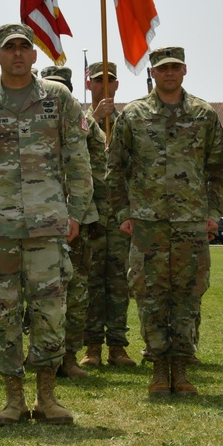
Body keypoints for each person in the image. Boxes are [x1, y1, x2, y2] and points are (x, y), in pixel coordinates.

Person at [0, 23, 92, 426]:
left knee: (50, 312)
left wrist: (75, 212)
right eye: (10, 49)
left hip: (47, 226)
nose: (18, 54)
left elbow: (79, 159)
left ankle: (47, 397)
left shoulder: (58, 99)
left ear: (35, 55)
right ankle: (12, 399)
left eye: (25, 47)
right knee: (1, 312)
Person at [107, 46, 223, 398]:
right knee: (150, 296)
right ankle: (159, 369)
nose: (169, 73)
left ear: (185, 70)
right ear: (153, 73)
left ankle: (181, 368)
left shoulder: (204, 115)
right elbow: (113, 168)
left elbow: (220, 171)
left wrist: (212, 214)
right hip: (147, 224)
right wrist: (123, 213)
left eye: (175, 67)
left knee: (188, 296)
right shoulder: (133, 115)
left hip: (191, 222)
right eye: (163, 69)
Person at [41, 65, 112, 379]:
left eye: (63, 87)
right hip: (37, 218)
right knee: (40, 291)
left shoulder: (84, 123)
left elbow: (99, 166)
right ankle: (42, 355)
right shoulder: (29, 120)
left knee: (78, 290)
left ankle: (69, 356)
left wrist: (93, 211)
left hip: (76, 219)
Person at [80, 60, 135, 368]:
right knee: (90, 282)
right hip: (90, 214)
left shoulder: (127, 121)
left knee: (118, 283)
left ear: (116, 86)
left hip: (118, 216)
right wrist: (94, 117)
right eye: (98, 81)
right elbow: (69, 144)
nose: (104, 86)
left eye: (109, 81)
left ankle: (117, 345)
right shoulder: (80, 119)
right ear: (89, 85)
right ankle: (92, 346)